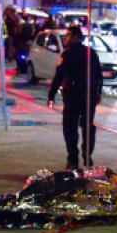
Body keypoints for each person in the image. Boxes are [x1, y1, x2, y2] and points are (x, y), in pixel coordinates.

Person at [47, 26, 103, 170]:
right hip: (89, 96)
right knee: (87, 126)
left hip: (72, 96)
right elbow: (99, 76)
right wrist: (98, 94)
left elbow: (59, 75)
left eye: (68, 36)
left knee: (70, 128)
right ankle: (87, 153)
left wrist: (51, 94)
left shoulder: (67, 54)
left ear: (76, 37)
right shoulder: (91, 53)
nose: (66, 39)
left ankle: (73, 159)